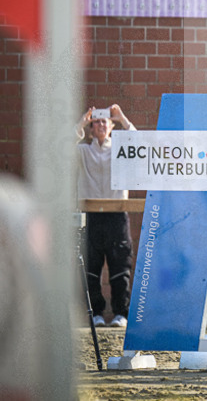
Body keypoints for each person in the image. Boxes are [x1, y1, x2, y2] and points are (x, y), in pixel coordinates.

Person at [75, 104, 136, 327]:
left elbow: (138, 143)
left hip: (116, 213)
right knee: (91, 266)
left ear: (111, 126)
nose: (100, 125)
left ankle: (121, 313)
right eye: (96, 122)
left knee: (120, 265)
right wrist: (81, 123)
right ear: (91, 129)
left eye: (105, 122)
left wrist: (122, 118)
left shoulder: (120, 149)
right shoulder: (83, 151)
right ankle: (96, 314)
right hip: (90, 214)